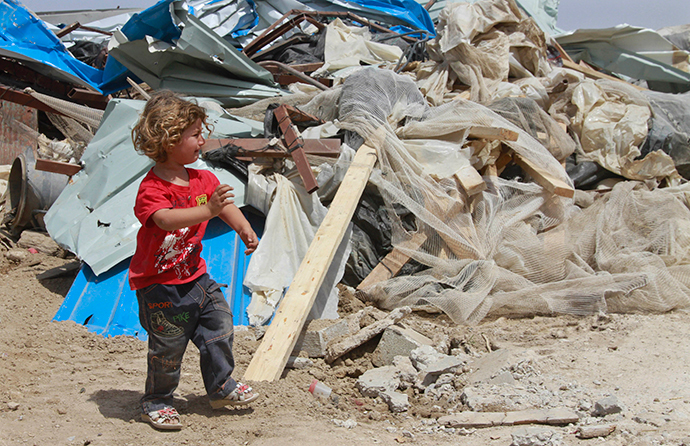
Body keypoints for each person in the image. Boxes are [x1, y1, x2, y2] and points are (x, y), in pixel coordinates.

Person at [128, 90, 259, 431]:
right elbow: (165, 220)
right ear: (169, 140)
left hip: (196, 278)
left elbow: (225, 206)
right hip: (159, 287)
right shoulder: (152, 187)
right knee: (167, 349)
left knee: (219, 325)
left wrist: (243, 228)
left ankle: (220, 386)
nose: (203, 141)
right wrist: (208, 210)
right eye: (196, 135)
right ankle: (156, 400)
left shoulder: (203, 178)